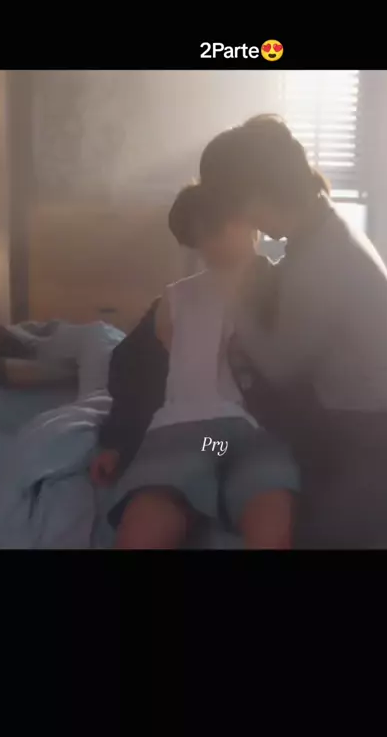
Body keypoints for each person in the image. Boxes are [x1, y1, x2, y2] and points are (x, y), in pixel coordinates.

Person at [199, 114, 387, 549]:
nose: (246, 225)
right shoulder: (316, 233)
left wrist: (237, 293)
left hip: (374, 438)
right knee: (213, 451)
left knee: (294, 521)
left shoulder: (324, 257)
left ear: (257, 197)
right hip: (332, 422)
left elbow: (281, 367)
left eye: (236, 210)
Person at [94, 183, 300, 549]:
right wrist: (117, 440)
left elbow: (311, 373)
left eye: (215, 230)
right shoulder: (177, 297)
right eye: (199, 237)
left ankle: (219, 486)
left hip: (255, 437)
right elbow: (133, 373)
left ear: (244, 221)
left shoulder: (286, 289)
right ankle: (205, 486)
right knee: (147, 524)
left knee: (269, 514)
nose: (209, 245)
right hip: (198, 437)